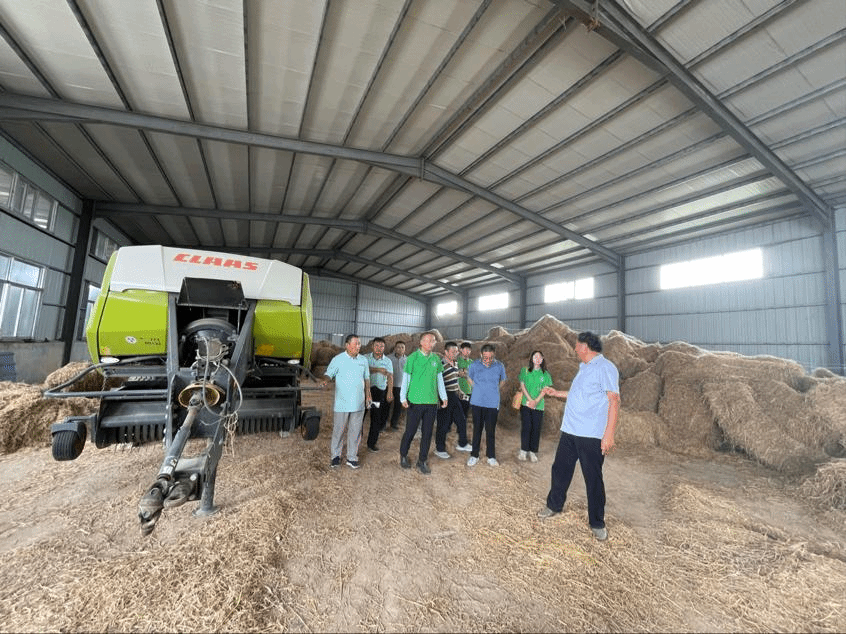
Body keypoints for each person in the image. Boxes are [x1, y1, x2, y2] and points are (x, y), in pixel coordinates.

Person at [537, 331, 620, 542]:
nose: (574, 349)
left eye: (576, 345)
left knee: (593, 478)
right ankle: (554, 505)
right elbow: (579, 395)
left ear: (585, 347)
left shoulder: (605, 367)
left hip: (591, 433)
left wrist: (609, 435)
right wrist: (557, 393)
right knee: (560, 469)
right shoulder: (584, 367)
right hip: (570, 430)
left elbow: (614, 400)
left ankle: (597, 522)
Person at [399, 332, 447, 475]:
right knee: (410, 431)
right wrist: (403, 398)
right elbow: (406, 379)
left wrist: (443, 397)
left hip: (431, 402)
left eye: (433, 341)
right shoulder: (412, 358)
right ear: (421, 342)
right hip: (415, 401)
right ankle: (403, 455)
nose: (430, 343)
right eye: (427, 340)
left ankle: (422, 460)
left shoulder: (436, 359)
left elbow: (439, 380)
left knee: (427, 433)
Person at [322, 334, 371, 470]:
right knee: (339, 431)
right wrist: (325, 380)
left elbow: (367, 379)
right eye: (355, 344)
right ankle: (335, 457)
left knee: (355, 432)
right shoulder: (338, 359)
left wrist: (368, 395)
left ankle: (352, 458)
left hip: (359, 403)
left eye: (359, 344)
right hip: (342, 403)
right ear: (347, 345)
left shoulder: (363, 360)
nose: (358, 346)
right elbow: (329, 374)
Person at [466, 343, 506, 467]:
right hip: (477, 402)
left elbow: (503, 380)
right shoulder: (474, 365)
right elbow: (469, 377)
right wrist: (476, 387)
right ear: (481, 354)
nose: (488, 360)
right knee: (477, 429)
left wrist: (495, 389)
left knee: (490, 430)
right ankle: (474, 455)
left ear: (494, 355)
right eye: (485, 357)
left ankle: (491, 456)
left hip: (492, 403)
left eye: (491, 357)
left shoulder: (499, 366)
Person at [434, 341, 472, 459]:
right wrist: (439, 399)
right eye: (453, 351)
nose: (456, 353)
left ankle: (462, 444)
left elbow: (455, 380)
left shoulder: (455, 363)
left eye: (456, 351)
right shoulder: (440, 364)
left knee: (461, 420)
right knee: (443, 424)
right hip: (444, 396)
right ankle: (439, 449)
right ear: (446, 352)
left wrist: (459, 392)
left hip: (454, 395)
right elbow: (436, 383)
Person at [517, 350, 553, 462]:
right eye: (535, 357)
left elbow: (545, 389)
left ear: (542, 359)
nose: (537, 359)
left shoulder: (545, 374)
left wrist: (536, 401)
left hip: (539, 405)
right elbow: (522, 385)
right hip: (526, 404)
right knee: (526, 427)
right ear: (531, 359)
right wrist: (530, 400)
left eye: (539, 357)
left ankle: (532, 452)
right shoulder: (525, 370)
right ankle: (523, 450)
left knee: (536, 428)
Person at [364, 337, 393, 452]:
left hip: (378, 393)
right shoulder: (365, 358)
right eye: (376, 345)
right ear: (372, 346)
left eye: (381, 346)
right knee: (359, 417)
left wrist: (389, 392)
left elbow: (390, 377)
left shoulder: (388, 361)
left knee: (376, 418)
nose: (379, 348)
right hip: (365, 392)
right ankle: (355, 444)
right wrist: (378, 370)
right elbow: (363, 370)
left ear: (384, 348)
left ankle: (371, 444)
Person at [388, 341, 407, 431]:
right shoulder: (388, 358)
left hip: (401, 387)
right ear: (395, 348)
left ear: (405, 349)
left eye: (402, 347)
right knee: (386, 405)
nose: (400, 349)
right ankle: (382, 425)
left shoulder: (408, 360)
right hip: (389, 386)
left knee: (398, 407)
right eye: (398, 347)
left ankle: (394, 424)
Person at [456, 342, 473, 420]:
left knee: (465, 413)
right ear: (461, 350)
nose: (467, 351)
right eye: (466, 349)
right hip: (459, 391)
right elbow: (456, 373)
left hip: (468, 391)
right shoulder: (457, 361)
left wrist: (464, 373)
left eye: (469, 350)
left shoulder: (471, 362)